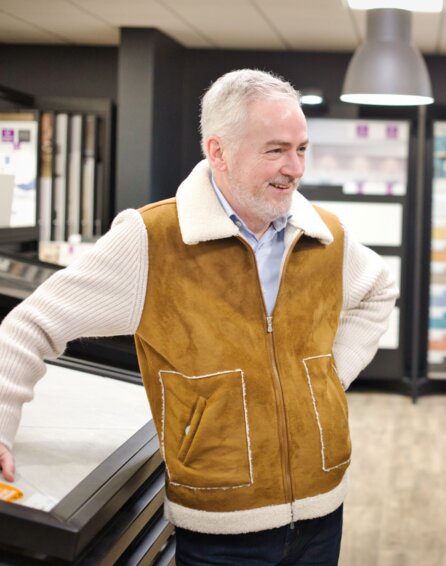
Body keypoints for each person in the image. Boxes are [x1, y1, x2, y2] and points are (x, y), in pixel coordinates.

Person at [0, 69, 398, 565]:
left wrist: (325, 381)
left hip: (323, 509)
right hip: (221, 526)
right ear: (218, 152)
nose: (294, 168)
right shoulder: (152, 239)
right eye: (275, 150)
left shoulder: (324, 234)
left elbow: (379, 290)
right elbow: (29, 325)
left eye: (301, 148)